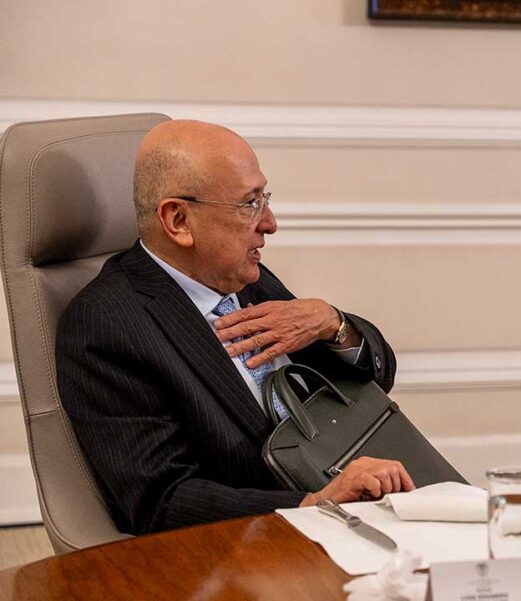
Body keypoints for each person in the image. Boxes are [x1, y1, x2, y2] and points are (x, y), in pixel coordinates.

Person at [56, 120, 414, 535]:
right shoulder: (107, 326)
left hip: (364, 490)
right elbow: (161, 502)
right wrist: (313, 505)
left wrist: (332, 324)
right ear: (178, 220)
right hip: (268, 539)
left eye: (265, 199)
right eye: (249, 204)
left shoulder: (244, 278)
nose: (270, 223)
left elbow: (376, 378)